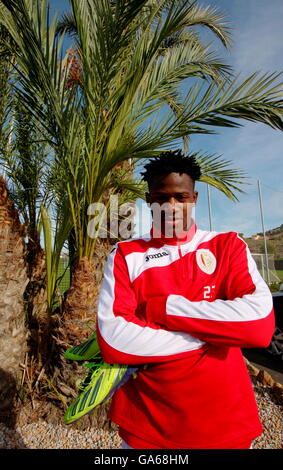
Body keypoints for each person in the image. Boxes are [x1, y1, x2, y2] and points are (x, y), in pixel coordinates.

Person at [96, 149, 275, 449]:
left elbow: (258, 326)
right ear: (149, 200)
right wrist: (215, 334)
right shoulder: (126, 256)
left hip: (228, 425)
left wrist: (162, 308)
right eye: (162, 197)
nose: (172, 206)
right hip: (148, 429)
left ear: (194, 198)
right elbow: (114, 340)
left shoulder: (227, 246)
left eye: (181, 197)